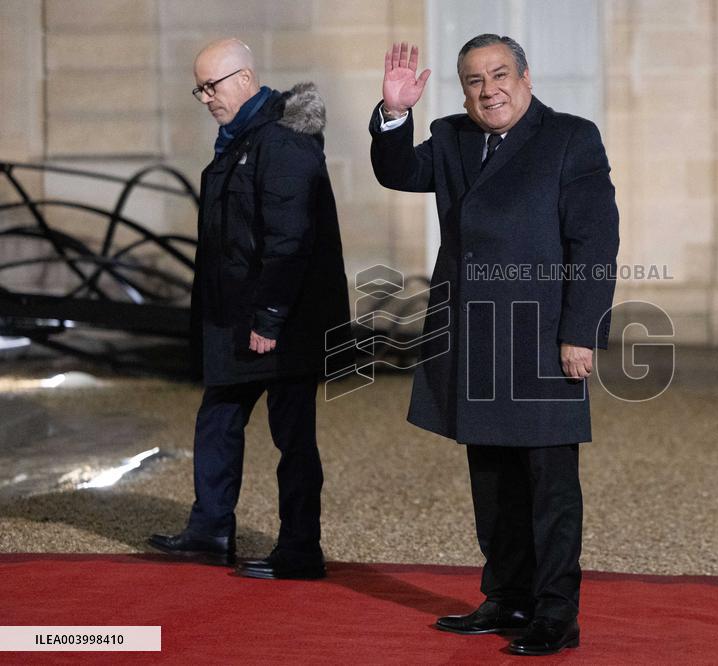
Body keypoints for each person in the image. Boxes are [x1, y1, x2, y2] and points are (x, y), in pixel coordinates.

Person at [369, 35, 619, 656]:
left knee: (549, 486)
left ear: (526, 78)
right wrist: (394, 114)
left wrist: (579, 333)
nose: (489, 90)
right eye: (475, 81)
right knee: (492, 479)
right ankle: (507, 596)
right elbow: (397, 171)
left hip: (541, 340)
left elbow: (595, 243)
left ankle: (557, 612)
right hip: (474, 335)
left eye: (500, 75)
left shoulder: (570, 137)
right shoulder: (453, 138)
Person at [148, 38, 352, 580]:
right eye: (199, 88)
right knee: (219, 417)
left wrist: (270, 318)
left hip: (280, 323)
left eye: (210, 86)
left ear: (244, 78)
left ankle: (300, 550)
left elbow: (290, 239)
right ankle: (211, 529)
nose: (205, 98)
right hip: (241, 318)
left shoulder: (280, 142)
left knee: (291, 437)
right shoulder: (242, 137)